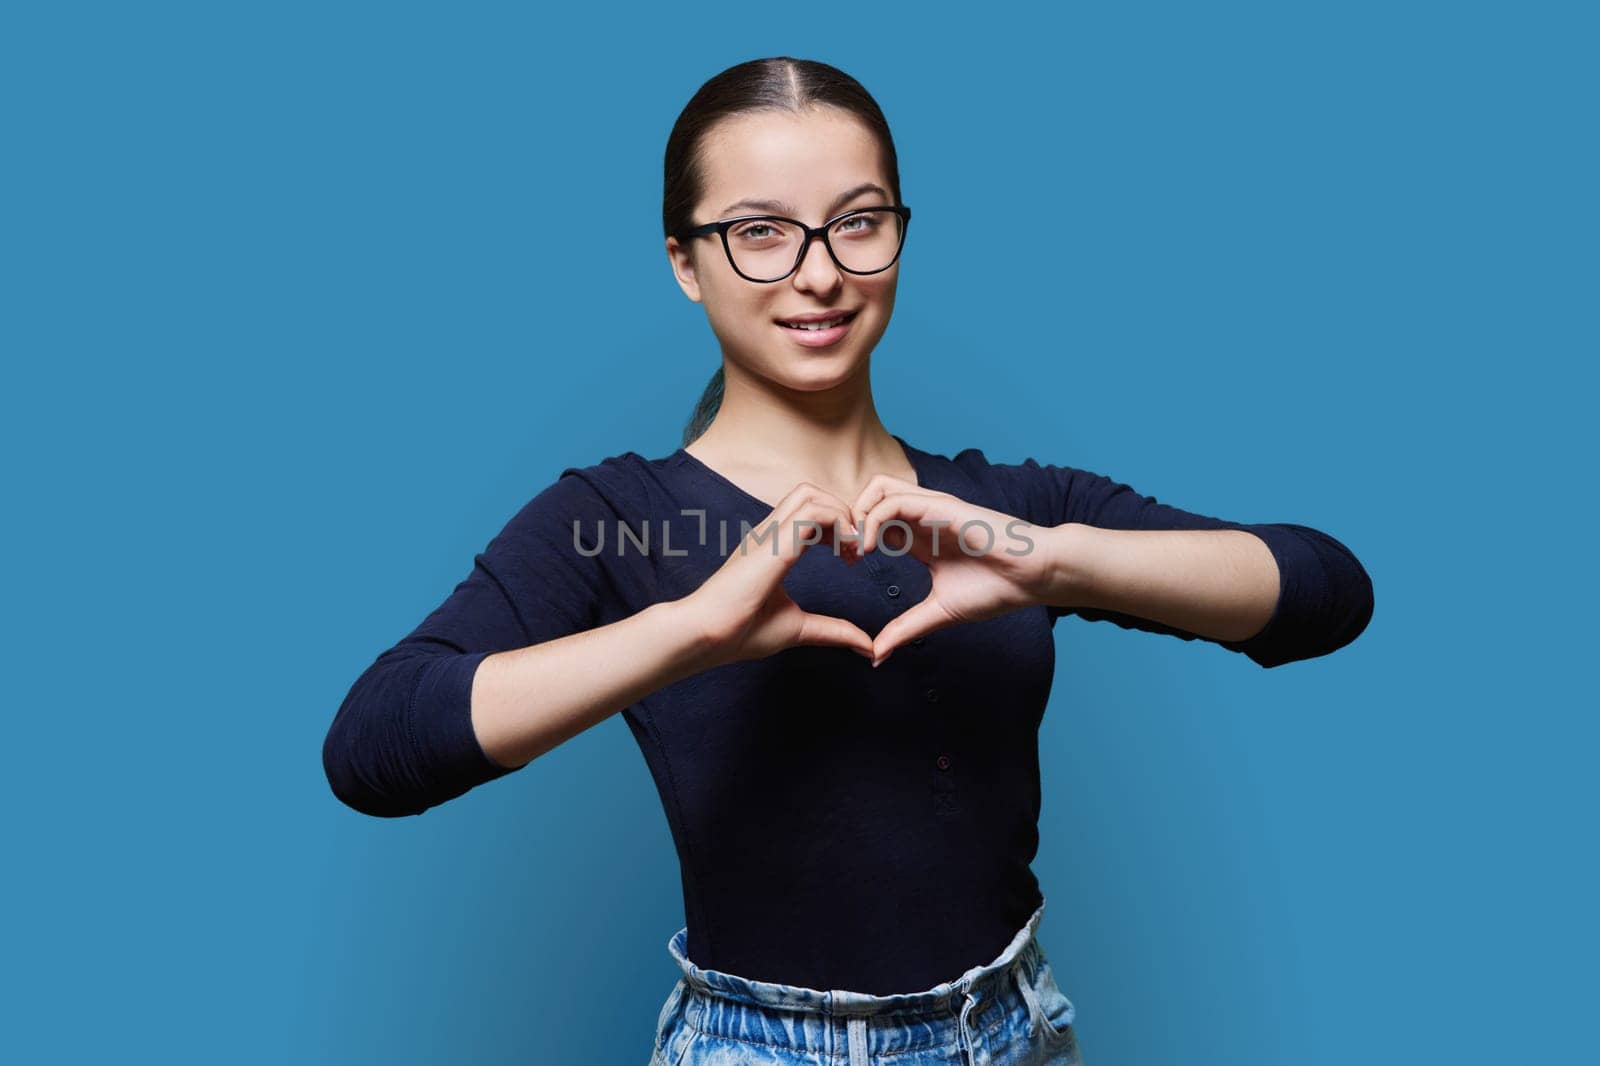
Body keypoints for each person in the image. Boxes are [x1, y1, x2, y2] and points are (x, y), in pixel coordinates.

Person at [322, 56, 1374, 1066]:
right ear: (684, 261)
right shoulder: (622, 517)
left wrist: (1052, 565)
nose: (819, 270)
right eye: (759, 233)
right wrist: (689, 630)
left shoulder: (1007, 508)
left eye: (857, 222)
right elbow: (376, 743)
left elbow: (1321, 592)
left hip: (1016, 1030)